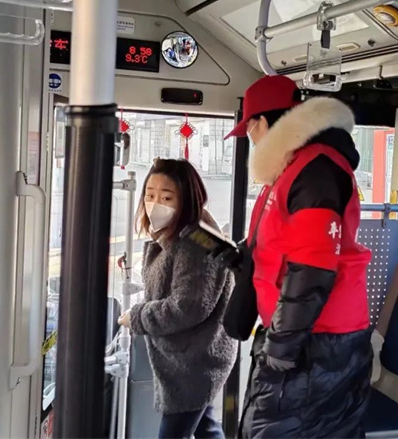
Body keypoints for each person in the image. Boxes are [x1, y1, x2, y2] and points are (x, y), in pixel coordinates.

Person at [224, 75, 373, 438]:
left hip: (318, 342)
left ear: (262, 123)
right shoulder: (290, 170)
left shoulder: (315, 169)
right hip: (297, 335)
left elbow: (313, 266)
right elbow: (279, 246)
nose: (251, 139)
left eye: (250, 129)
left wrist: (281, 348)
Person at [118, 158, 237, 439]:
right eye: (149, 195)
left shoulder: (195, 243)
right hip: (192, 358)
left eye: (166, 197)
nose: (154, 204)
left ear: (187, 199)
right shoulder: (179, 234)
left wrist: (138, 316)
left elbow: (187, 306)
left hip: (194, 362)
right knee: (207, 428)